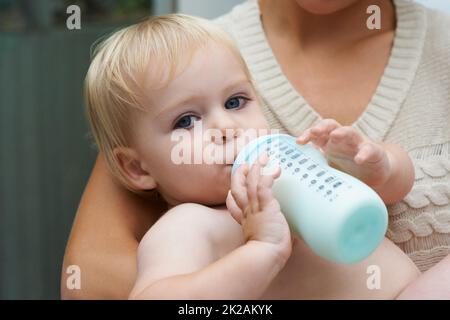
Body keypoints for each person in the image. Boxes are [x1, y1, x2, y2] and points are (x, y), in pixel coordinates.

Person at [61, 0, 450, 299]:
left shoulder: (285, 172)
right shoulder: (189, 228)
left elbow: (387, 191)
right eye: (185, 121)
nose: (226, 128)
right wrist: (261, 253)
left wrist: (381, 166)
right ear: (136, 169)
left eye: (235, 102)